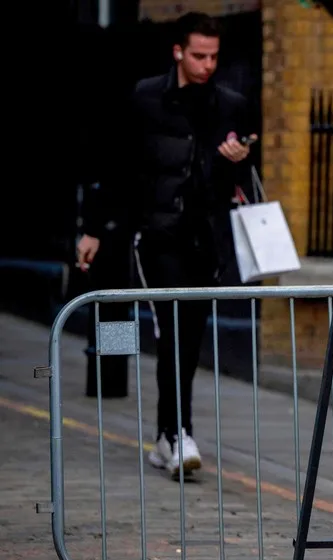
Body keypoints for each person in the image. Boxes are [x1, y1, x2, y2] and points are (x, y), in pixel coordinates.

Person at [76, 12, 257, 480]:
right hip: (156, 235)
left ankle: (166, 437)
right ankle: (179, 434)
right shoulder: (146, 98)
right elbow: (117, 167)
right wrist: (94, 228)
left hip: (206, 237)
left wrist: (236, 161)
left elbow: (238, 182)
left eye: (214, 56)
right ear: (178, 51)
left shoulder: (230, 104)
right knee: (172, 329)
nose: (207, 65)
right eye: (199, 55)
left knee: (190, 338)